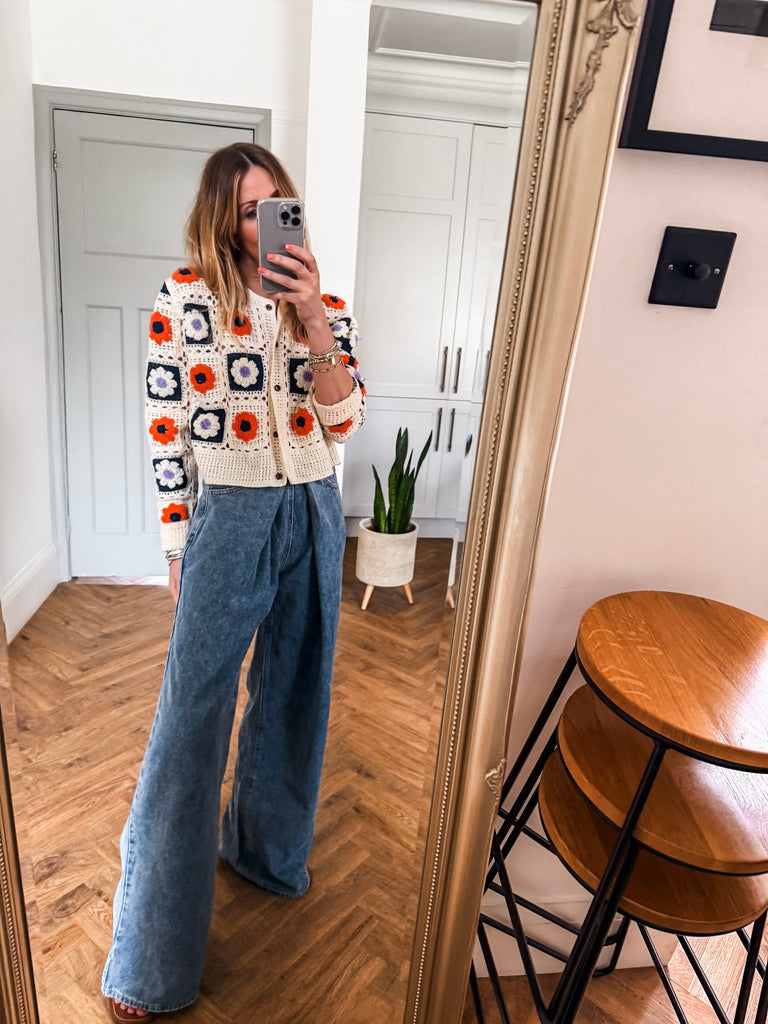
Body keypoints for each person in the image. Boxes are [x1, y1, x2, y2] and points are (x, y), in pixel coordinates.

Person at [101, 142, 365, 1021]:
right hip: (229, 517)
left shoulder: (321, 301)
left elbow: (345, 420)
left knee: (295, 696)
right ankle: (149, 962)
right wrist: (178, 546)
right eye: (252, 209)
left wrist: (313, 319)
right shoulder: (183, 299)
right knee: (190, 724)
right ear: (223, 216)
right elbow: (166, 429)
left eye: (277, 203)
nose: (267, 221)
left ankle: (263, 852)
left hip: (314, 510)